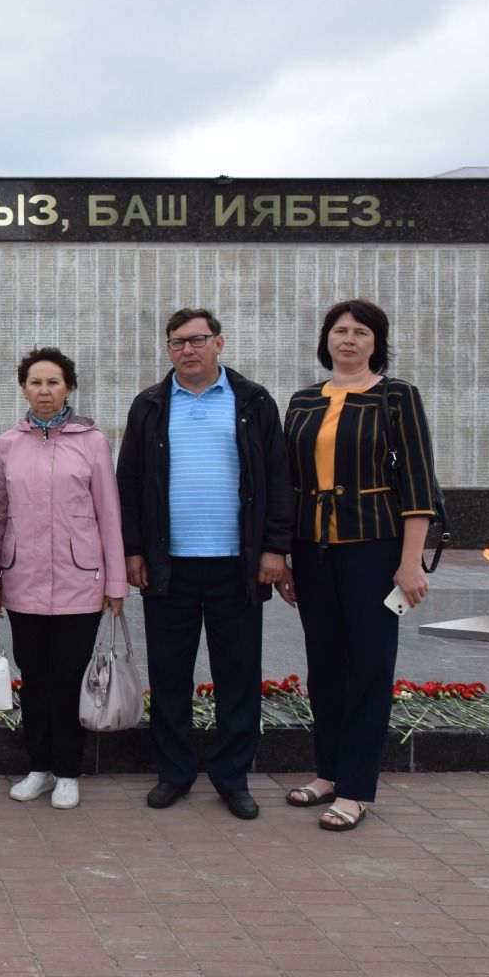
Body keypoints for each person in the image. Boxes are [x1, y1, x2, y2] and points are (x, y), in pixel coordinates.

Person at [116, 308, 291, 820]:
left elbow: (278, 480)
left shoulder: (252, 402)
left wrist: (274, 549)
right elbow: (129, 485)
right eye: (177, 343)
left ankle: (232, 777)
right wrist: (133, 550)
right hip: (169, 566)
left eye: (197, 340)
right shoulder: (149, 405)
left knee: (238, 675)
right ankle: (173, 772)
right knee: (170, 675)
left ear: (220, 343)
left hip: (236, 566)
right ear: (168, 350)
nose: (187, 350)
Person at [277, 299, 437, 831]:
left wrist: (410, 563)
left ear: (377, 342)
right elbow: (288, 484)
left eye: (361, 332)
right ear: (326, 340)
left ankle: (356, 787)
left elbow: (417, 484)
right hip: (312, 547)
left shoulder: (397, 398)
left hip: (373, 548)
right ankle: (327, 771)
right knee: (323, 664)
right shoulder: (301, 402)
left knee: (368, 665)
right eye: (339, 330)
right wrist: (286, 556)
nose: (348, 339)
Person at [0, 348, 127, 810]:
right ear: (23, 388)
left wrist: (116, 583)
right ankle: (39, 768)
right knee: (34, 678)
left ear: (68, 387)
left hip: (80, 583)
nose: (43, 391)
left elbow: (109, 514)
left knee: (69, 679)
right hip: (23, 581)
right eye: (34, 383)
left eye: (53, 382)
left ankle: (69, 771)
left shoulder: (92, 442)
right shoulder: (8, 444)